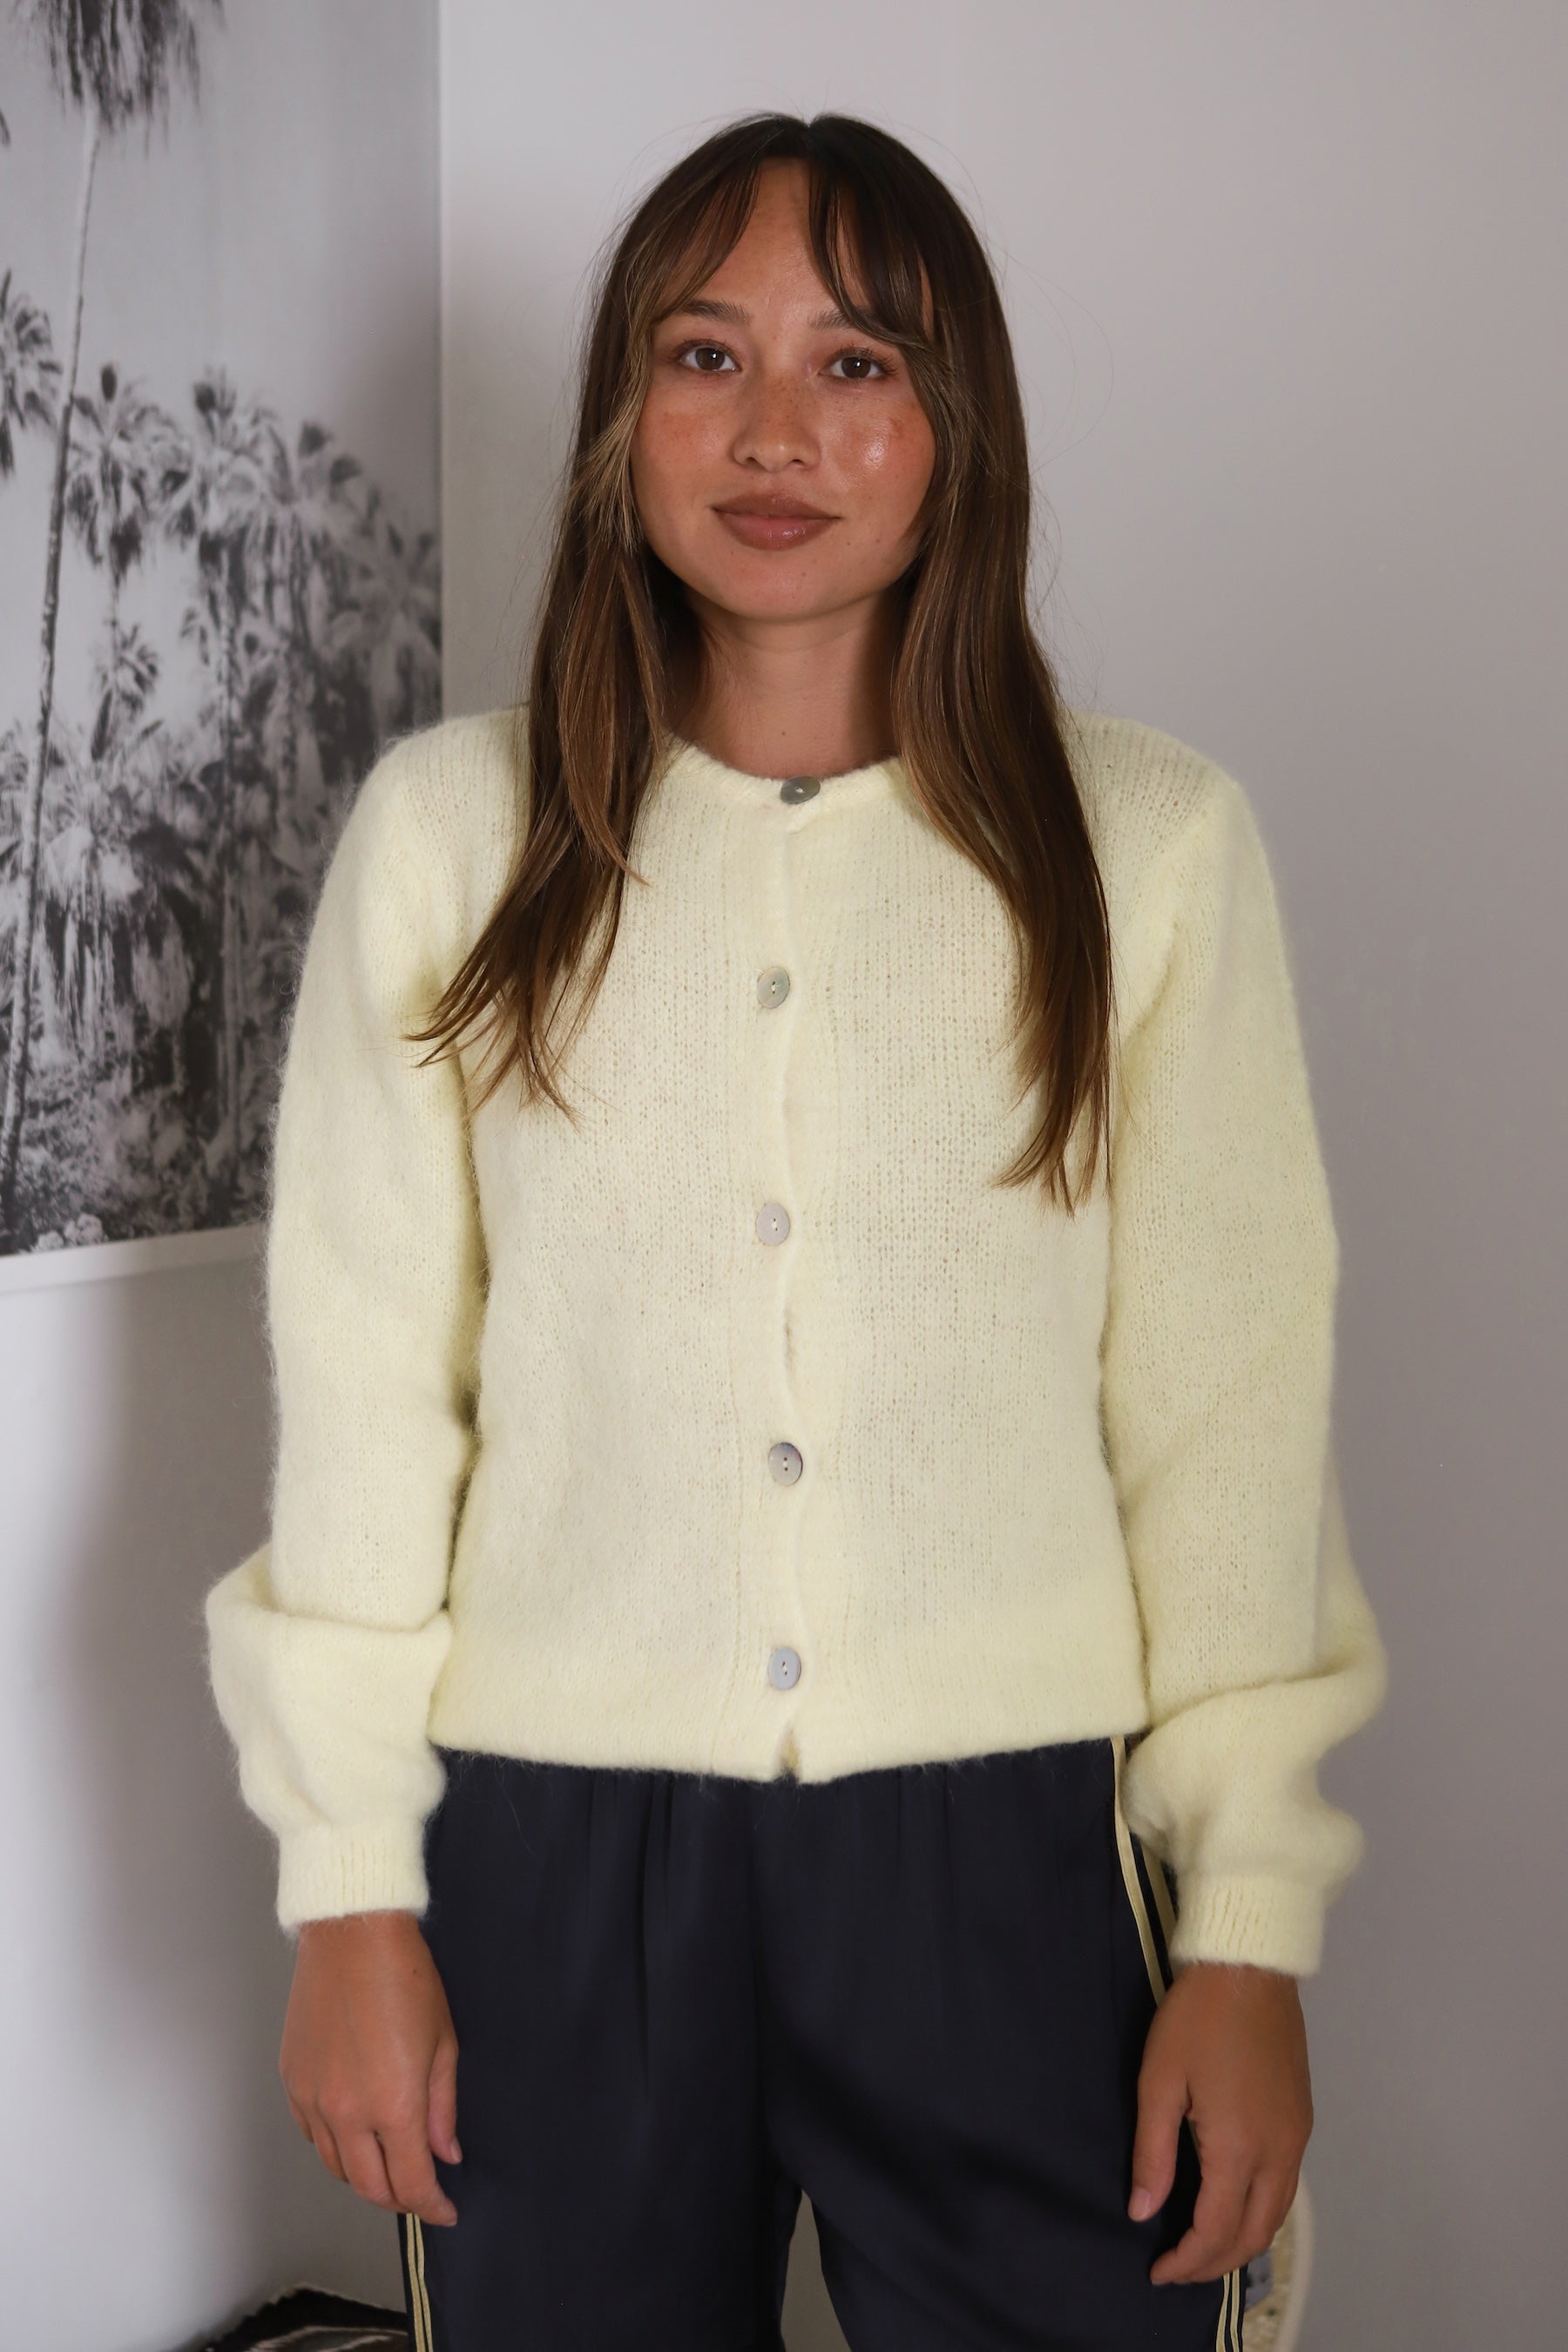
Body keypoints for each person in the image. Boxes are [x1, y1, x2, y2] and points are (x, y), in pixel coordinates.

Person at [205, 111, 1388, 2352]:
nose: (774, 431)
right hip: (554, 1867)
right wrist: (348, 1891)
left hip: (1011, 1860)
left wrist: (1246, 1929)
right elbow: (367, 1399)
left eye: (858, 363)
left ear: (959, 427)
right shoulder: (453, 840)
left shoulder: (1146, 847)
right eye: (703, 354)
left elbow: (1226, 1414)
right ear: (620, 415)